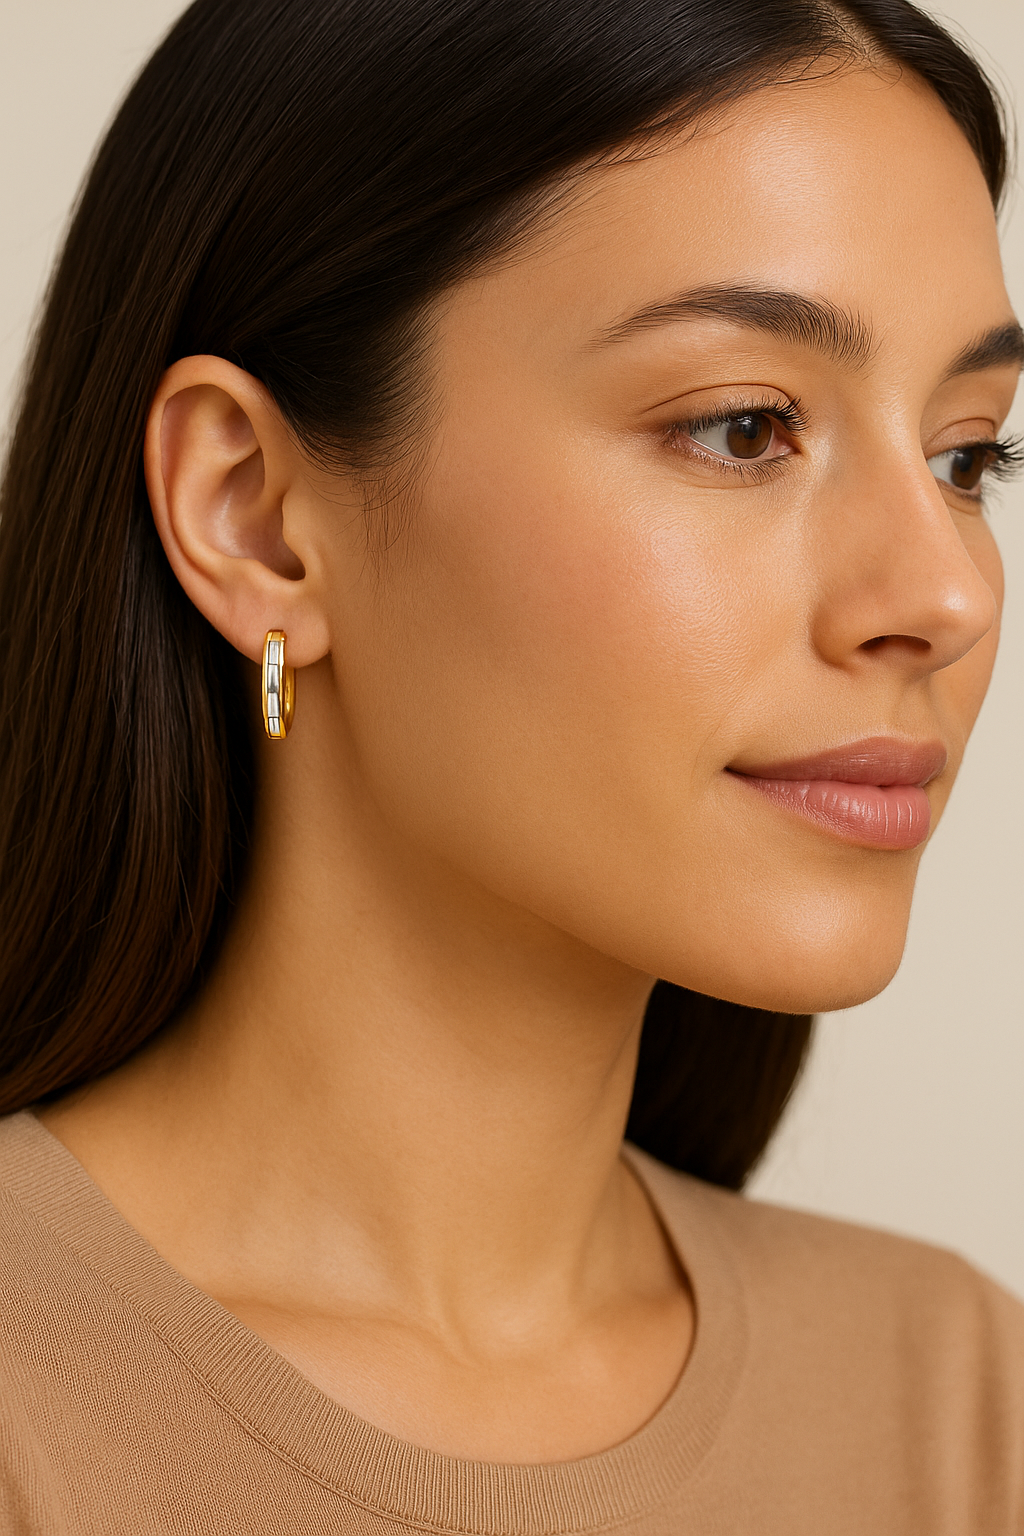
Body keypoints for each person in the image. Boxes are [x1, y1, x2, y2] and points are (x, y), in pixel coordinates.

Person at [0, 0, 1022, 1529]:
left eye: (966, 455)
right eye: (744, 427)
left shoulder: (957, 1401)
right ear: (254, 515)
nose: (944, 594)